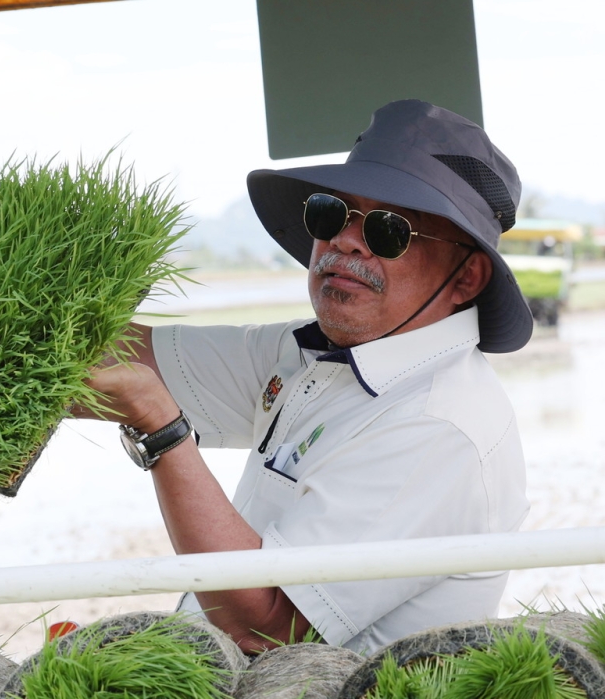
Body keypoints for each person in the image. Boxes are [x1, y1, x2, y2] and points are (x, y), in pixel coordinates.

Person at [79, 100, 531, 655]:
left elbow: (266, 628)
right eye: (332, 214)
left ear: (466, 278)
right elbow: (119, 357)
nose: (345, 241)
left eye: (391, 230)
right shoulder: (312, 352)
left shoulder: (440, 424)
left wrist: (162, 431)